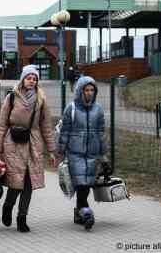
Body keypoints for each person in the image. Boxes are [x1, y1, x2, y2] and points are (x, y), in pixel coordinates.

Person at [0, 64, 56, 233]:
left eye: (35, 79)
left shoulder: (41, 100)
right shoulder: (11, 98)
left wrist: (51, 150)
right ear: (23, 79)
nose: (32, 81)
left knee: (28, 184)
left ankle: (22, 218)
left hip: (33, 144)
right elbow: (1, 124)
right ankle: (8, 206)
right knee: (16, 183)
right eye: (29, 78)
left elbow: (46, 126)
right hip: (13, 143)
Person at [57, 76, 108, 230]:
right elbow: (65, 131)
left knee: (87, 186)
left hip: (92, 154)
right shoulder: (71, 108)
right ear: (80, 91)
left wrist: (104, 155)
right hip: (75, 153)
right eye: (86, 90)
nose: (89, 93)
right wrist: (61, 150)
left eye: (92, 90)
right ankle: (86, 213)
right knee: (81, 185)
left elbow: (101, 133)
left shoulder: (98, 109)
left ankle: (79, 213)